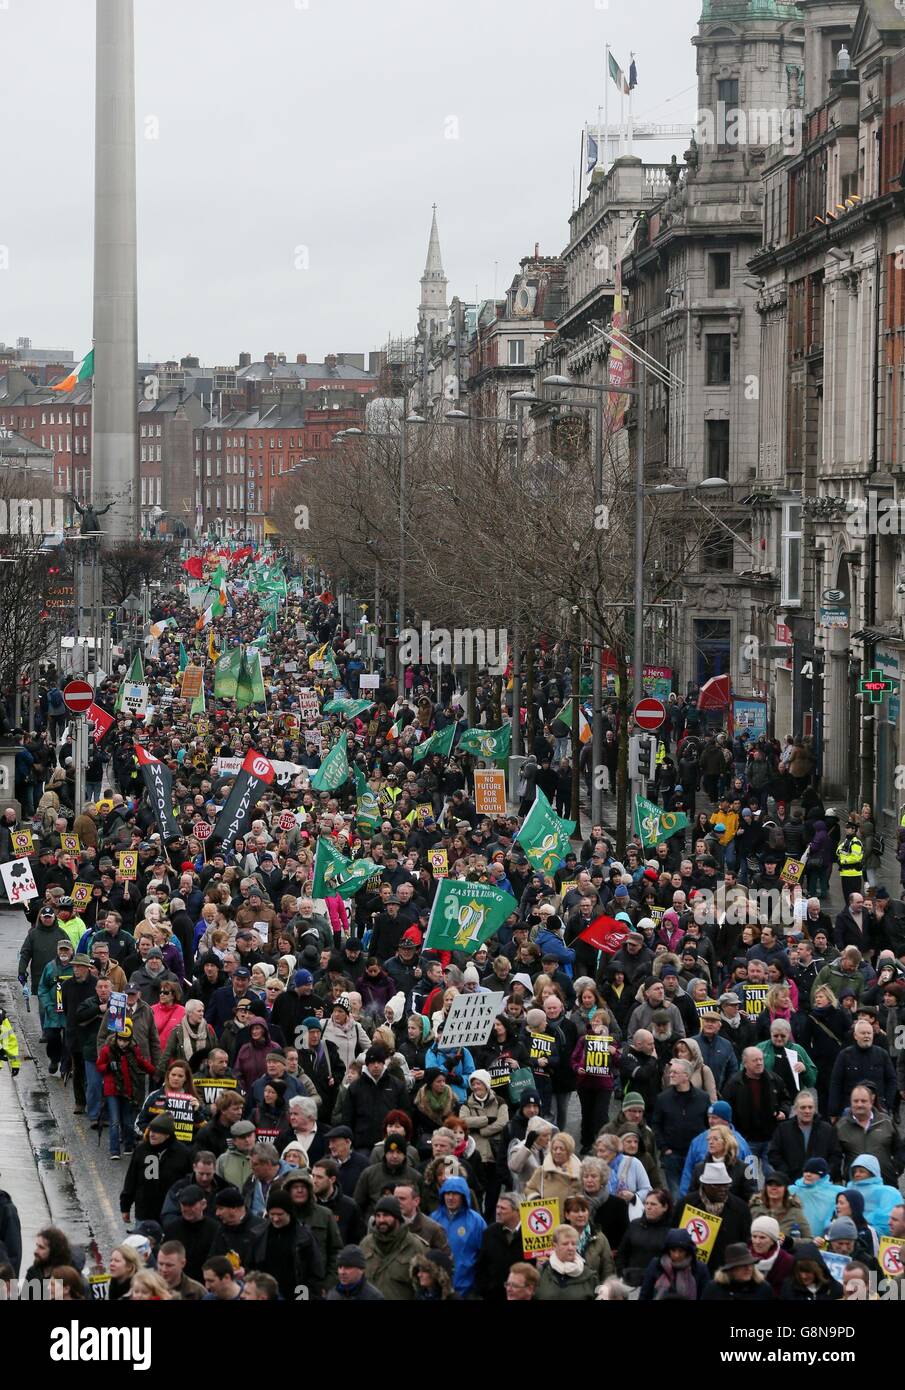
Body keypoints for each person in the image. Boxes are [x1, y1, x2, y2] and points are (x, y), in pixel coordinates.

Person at [359, 1195, 426, 1301]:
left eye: (386, 1215)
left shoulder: (414, 1246)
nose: (381, 1220)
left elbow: (425, 1288)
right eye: (378, 1215)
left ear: (397, 1217)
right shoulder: (366, 1244)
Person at [432, 1176, 487, 1297]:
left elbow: (484, 1255)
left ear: (464, 1196)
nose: (450, 1198)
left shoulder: (476, 1222)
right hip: (438, 1289)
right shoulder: (434, 1219)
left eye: (455, 1194)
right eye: (447, 1193)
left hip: (467, 1289)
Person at [639, 1227, 709, 1301]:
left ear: (688, 1251)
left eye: (681, 1251)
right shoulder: (656, 1264)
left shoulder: (699, 1268)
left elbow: (706, 1296)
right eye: (673, 1250)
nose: (676, 1255)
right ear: (668, 1250)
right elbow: (644, 1295)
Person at [534, 1223, 599, 1301]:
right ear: (555, 1246)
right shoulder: (541, 1273)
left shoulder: (590, 1276)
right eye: (565, 1244)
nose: (570, 1248)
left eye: (573, 1244)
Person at [702, 1242, 774, 1301]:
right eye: (743, 1265)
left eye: (750, 1264)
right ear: (731, 1269)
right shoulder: (714, 1289)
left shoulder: (763, 1289)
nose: (749, 1268)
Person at [748, 1214, 794, 1296]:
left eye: (762, 1237)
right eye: (754, 1236)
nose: (757, 1241)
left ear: (773, 1240)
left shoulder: (785, 1260)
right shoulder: (743, 1256)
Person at [780, 1242, 844, 1301]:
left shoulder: (834, 1288)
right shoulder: (788, 1288)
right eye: (799, 1271)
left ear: (818, 1269)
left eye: (808, 1271)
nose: (803, 1276)